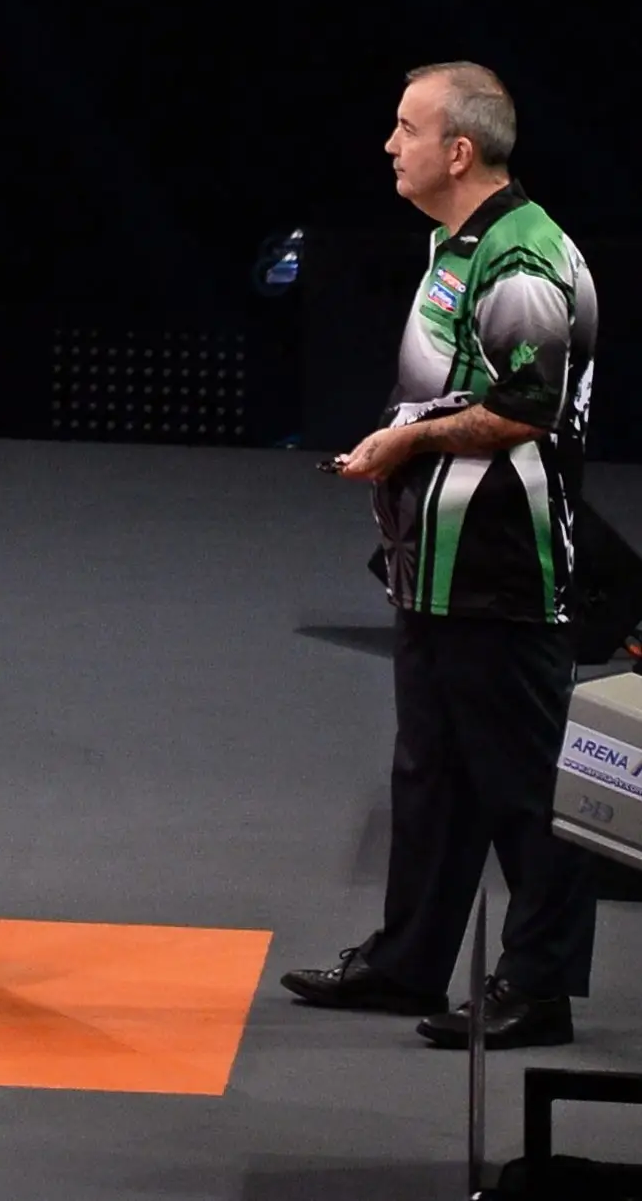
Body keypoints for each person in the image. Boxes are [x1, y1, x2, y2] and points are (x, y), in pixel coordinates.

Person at [281, 61, 602, 1051]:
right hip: (434, 555)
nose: (389, 143)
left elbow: (521, 407)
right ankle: (407, 957)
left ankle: (536, 985)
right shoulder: (454, 240)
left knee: (521, 780)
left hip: (501, 557)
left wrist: (403, 443)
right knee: (429, 769)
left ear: (456, 150)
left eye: (405, 126)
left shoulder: (519, 259)